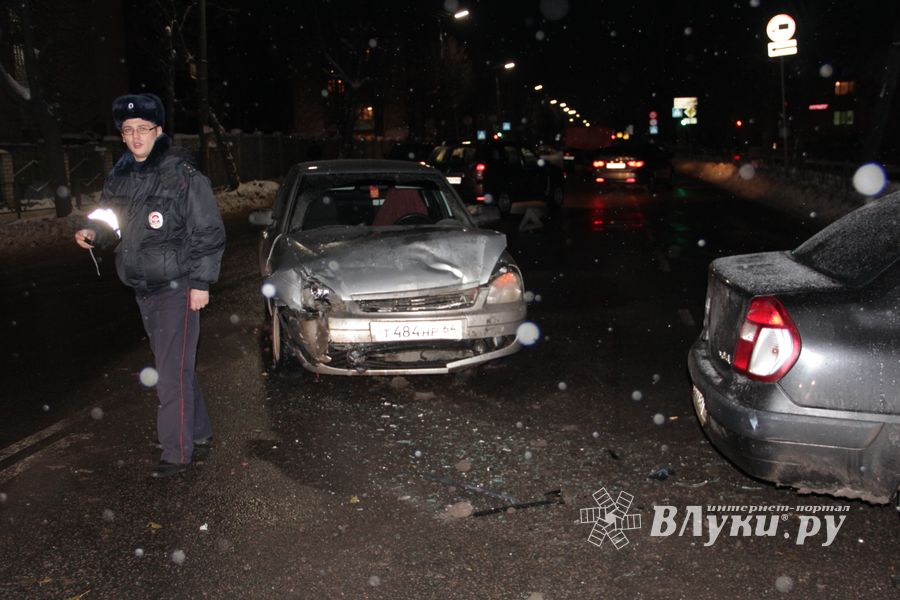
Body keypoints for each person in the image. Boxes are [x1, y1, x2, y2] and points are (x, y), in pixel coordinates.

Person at [75, 93, 226, 478]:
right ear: (122, 136)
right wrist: (95, 232)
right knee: (177, 366)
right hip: (143, 286)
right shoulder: (120, 175)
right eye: (128, 130)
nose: (136, 136)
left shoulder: (182, 174)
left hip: (177, 285)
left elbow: (206, 230)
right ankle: (200, 433)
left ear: (159, 131)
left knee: (170, 373)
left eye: (144, 128)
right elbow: (112, 221)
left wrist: (201, 282)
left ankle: (177, 453)